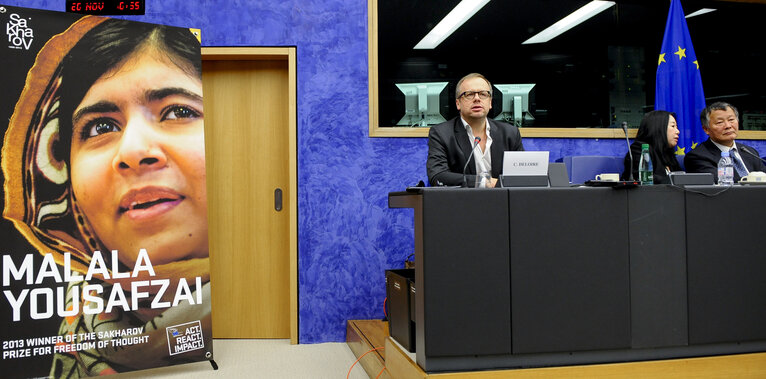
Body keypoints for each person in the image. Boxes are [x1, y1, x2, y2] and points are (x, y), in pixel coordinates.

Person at [2, 16, 210, 377]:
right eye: (100, 126)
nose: (132, 150)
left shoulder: (266, 306)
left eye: (178, 111)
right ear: (65, 176)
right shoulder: (73, 323)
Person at [426, 73, 524, 187]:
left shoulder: (510, 133)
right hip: (461, 202)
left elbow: (521, 176)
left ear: (490, 102)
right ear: (458, 103)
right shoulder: (441, 133)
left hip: (502, 202)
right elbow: (437, 176)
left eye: (483, 94)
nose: (477, 99)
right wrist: (484, 182)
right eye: (469, 94)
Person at [684, 102, 766, 182]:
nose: (728, 126)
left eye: (731, 120)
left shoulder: (750, 152)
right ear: (706, 129)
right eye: (720, 122)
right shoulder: (697, 157)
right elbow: (721, 185)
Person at [621, 110, 682, 184]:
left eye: (677, 127)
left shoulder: (668, 154)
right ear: (658, 127)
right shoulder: (640, 149)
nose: (678, 131)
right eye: (673, 126)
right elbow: (642, 178)